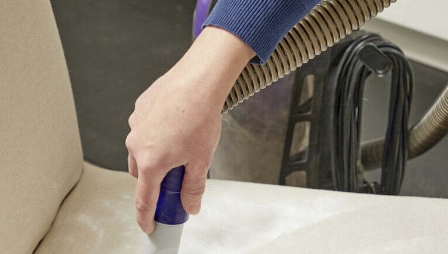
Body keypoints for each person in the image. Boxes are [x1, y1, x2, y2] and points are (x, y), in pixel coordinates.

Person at [126, 0, 321, 233]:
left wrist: (231, 33)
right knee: (244, 197)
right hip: (227, 20)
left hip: (290, 24)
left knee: (276, 207)